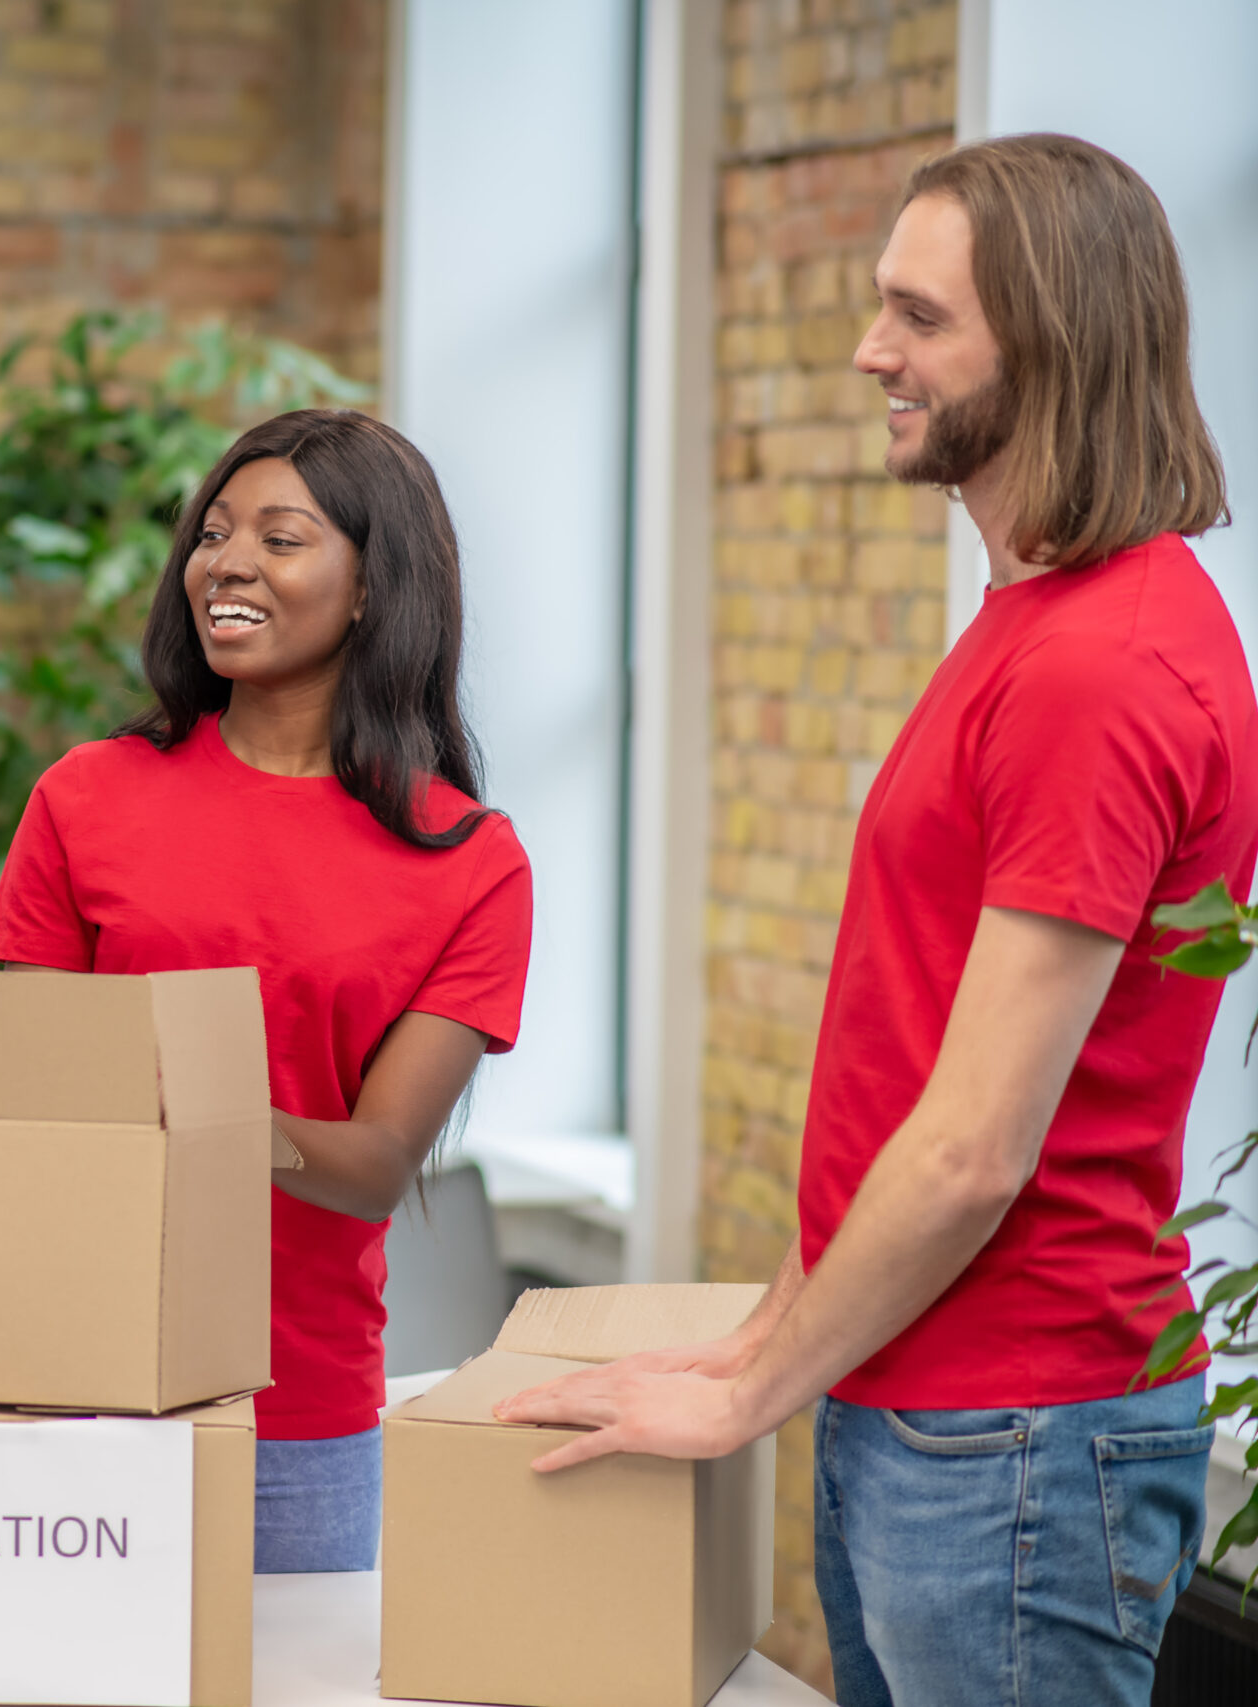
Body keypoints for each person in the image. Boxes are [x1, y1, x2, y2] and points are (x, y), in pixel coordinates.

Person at [498, 135, 1248, 1706]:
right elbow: (905, 1054)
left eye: (918, 316)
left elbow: (976, 1141)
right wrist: (771, 1340)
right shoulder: (1037, 623)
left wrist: (745, 1393)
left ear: (1046, 343)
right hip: (934, 1412)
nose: (871, 352)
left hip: (1015, 1441)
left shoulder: (1099, 667)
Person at [0, 408, 533, 1572]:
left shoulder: (466, 859)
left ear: (374, 587)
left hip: (297, 1415)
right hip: (67, 1378)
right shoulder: (88, 798)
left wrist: (205, 1117)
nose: (227, 564)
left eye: (280, 539)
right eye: (215, 533)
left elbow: (377, 1163)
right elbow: (20, 1097)